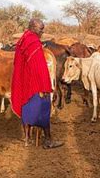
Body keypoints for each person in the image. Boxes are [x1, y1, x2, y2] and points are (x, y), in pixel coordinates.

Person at [11, 18, 63, 149]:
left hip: (25, 81)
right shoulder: (33, 42)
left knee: (26, 108)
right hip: (35, 83)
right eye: (41, 29)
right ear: (33, 27)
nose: (42, 32)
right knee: (44, 108)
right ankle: (48, 140)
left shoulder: (23, 40)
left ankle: (27, 139)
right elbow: (39, 67)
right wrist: (46, 86)